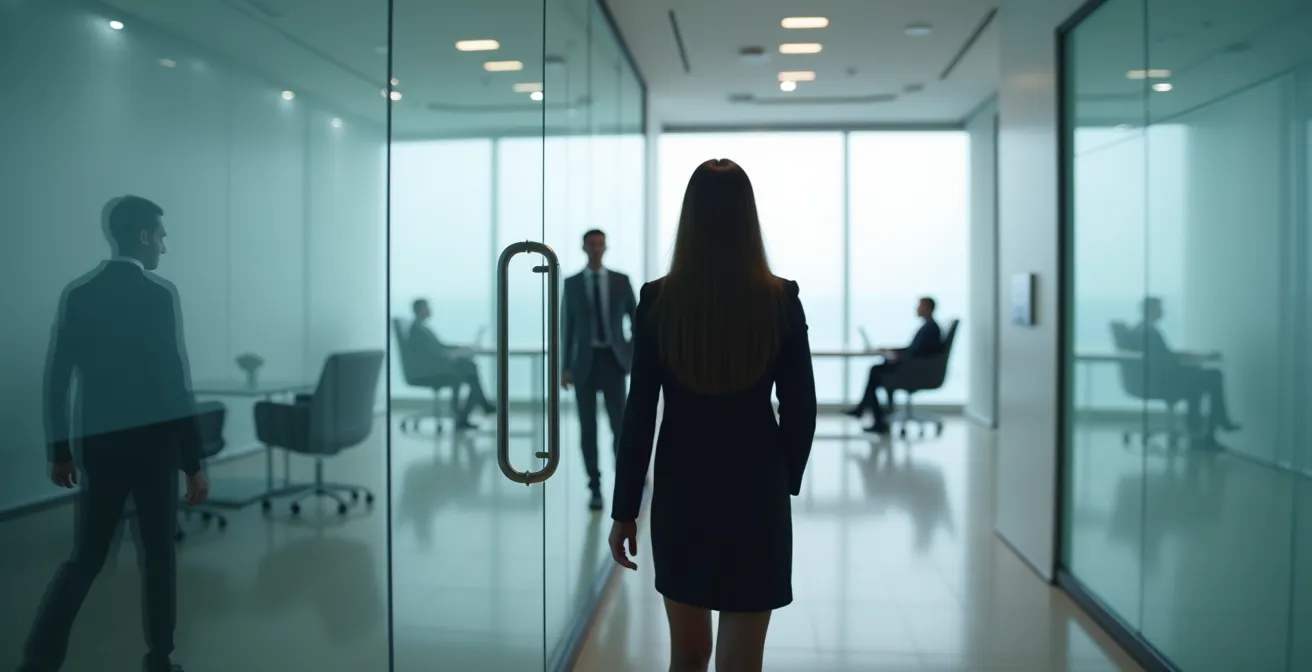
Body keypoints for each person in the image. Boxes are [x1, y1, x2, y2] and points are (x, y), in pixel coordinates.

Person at [609, 159, 817, 672]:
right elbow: (801, 407)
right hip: (756, 486)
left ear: (690, 217)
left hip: (683, 484)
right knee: (743, 658)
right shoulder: (780, 297)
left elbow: (640, 411)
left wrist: (625, 509)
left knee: (688, 652)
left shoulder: (659, 298)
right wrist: (784, 477)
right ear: (749, 217)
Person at [22, 196, 208, 672]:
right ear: (143, 237)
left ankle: (40, 659)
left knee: (86, 557)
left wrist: (59, 450)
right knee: (159, 556)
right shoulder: (159, 294)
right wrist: (193, 460)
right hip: (154, 449)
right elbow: (174, 384)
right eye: (161, 236)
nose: (164, 247)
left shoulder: (79, 294)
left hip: (99, 447)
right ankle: (160, 660)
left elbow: (57, 378)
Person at [561, 229, 638, 511]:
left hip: (613, 361)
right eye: (591, 243)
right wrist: (564, 368)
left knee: (620, 426)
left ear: (606, 247)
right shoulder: (571, 284)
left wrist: (631, 352)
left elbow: (637, 319)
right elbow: (566, 329)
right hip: (584, 362)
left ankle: (625, 483)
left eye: (600, 243)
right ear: (583, 247)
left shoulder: (620, 281)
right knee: (587, 427)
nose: (595, 248)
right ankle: (594, 486)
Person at [1128, 296, 1240, 443]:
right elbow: (1166, 360)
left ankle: (1197, 430)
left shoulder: (1141, 329)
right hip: (1162, 382)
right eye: (1159, 308)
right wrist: (1200, 358)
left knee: (1196, 379)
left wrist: (1196, 358)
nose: (1163, 311)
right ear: (1151, 310)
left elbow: (1165, 355)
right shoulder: (1149, 333)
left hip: (1154, 380)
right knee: (1214, 376)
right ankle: (1217, 423)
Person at [845, 297, 944, 434]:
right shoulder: (928, 327)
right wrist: (891, 351)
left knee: (876, 372)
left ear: (929, 308)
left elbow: (917, 355)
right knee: (877, 370)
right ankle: (867, 411)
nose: (917, 309)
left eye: (920, 306)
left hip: (915, 372)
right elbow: (913, 350)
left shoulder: (930, 329)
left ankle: (869, 414)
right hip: (914, 368)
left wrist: (897, 356)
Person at [407, 298, 494, 430]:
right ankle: (478, 408)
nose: (430, 310)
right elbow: (430, 355)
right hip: (430, 372)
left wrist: (459, 349)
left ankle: (472, 411)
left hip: (435, 367)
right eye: (427, 307)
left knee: (469, 368)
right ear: (420, 310)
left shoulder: (422, 329)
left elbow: (440, 346)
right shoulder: (417, 331)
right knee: (470, 369)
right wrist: (452, 355)